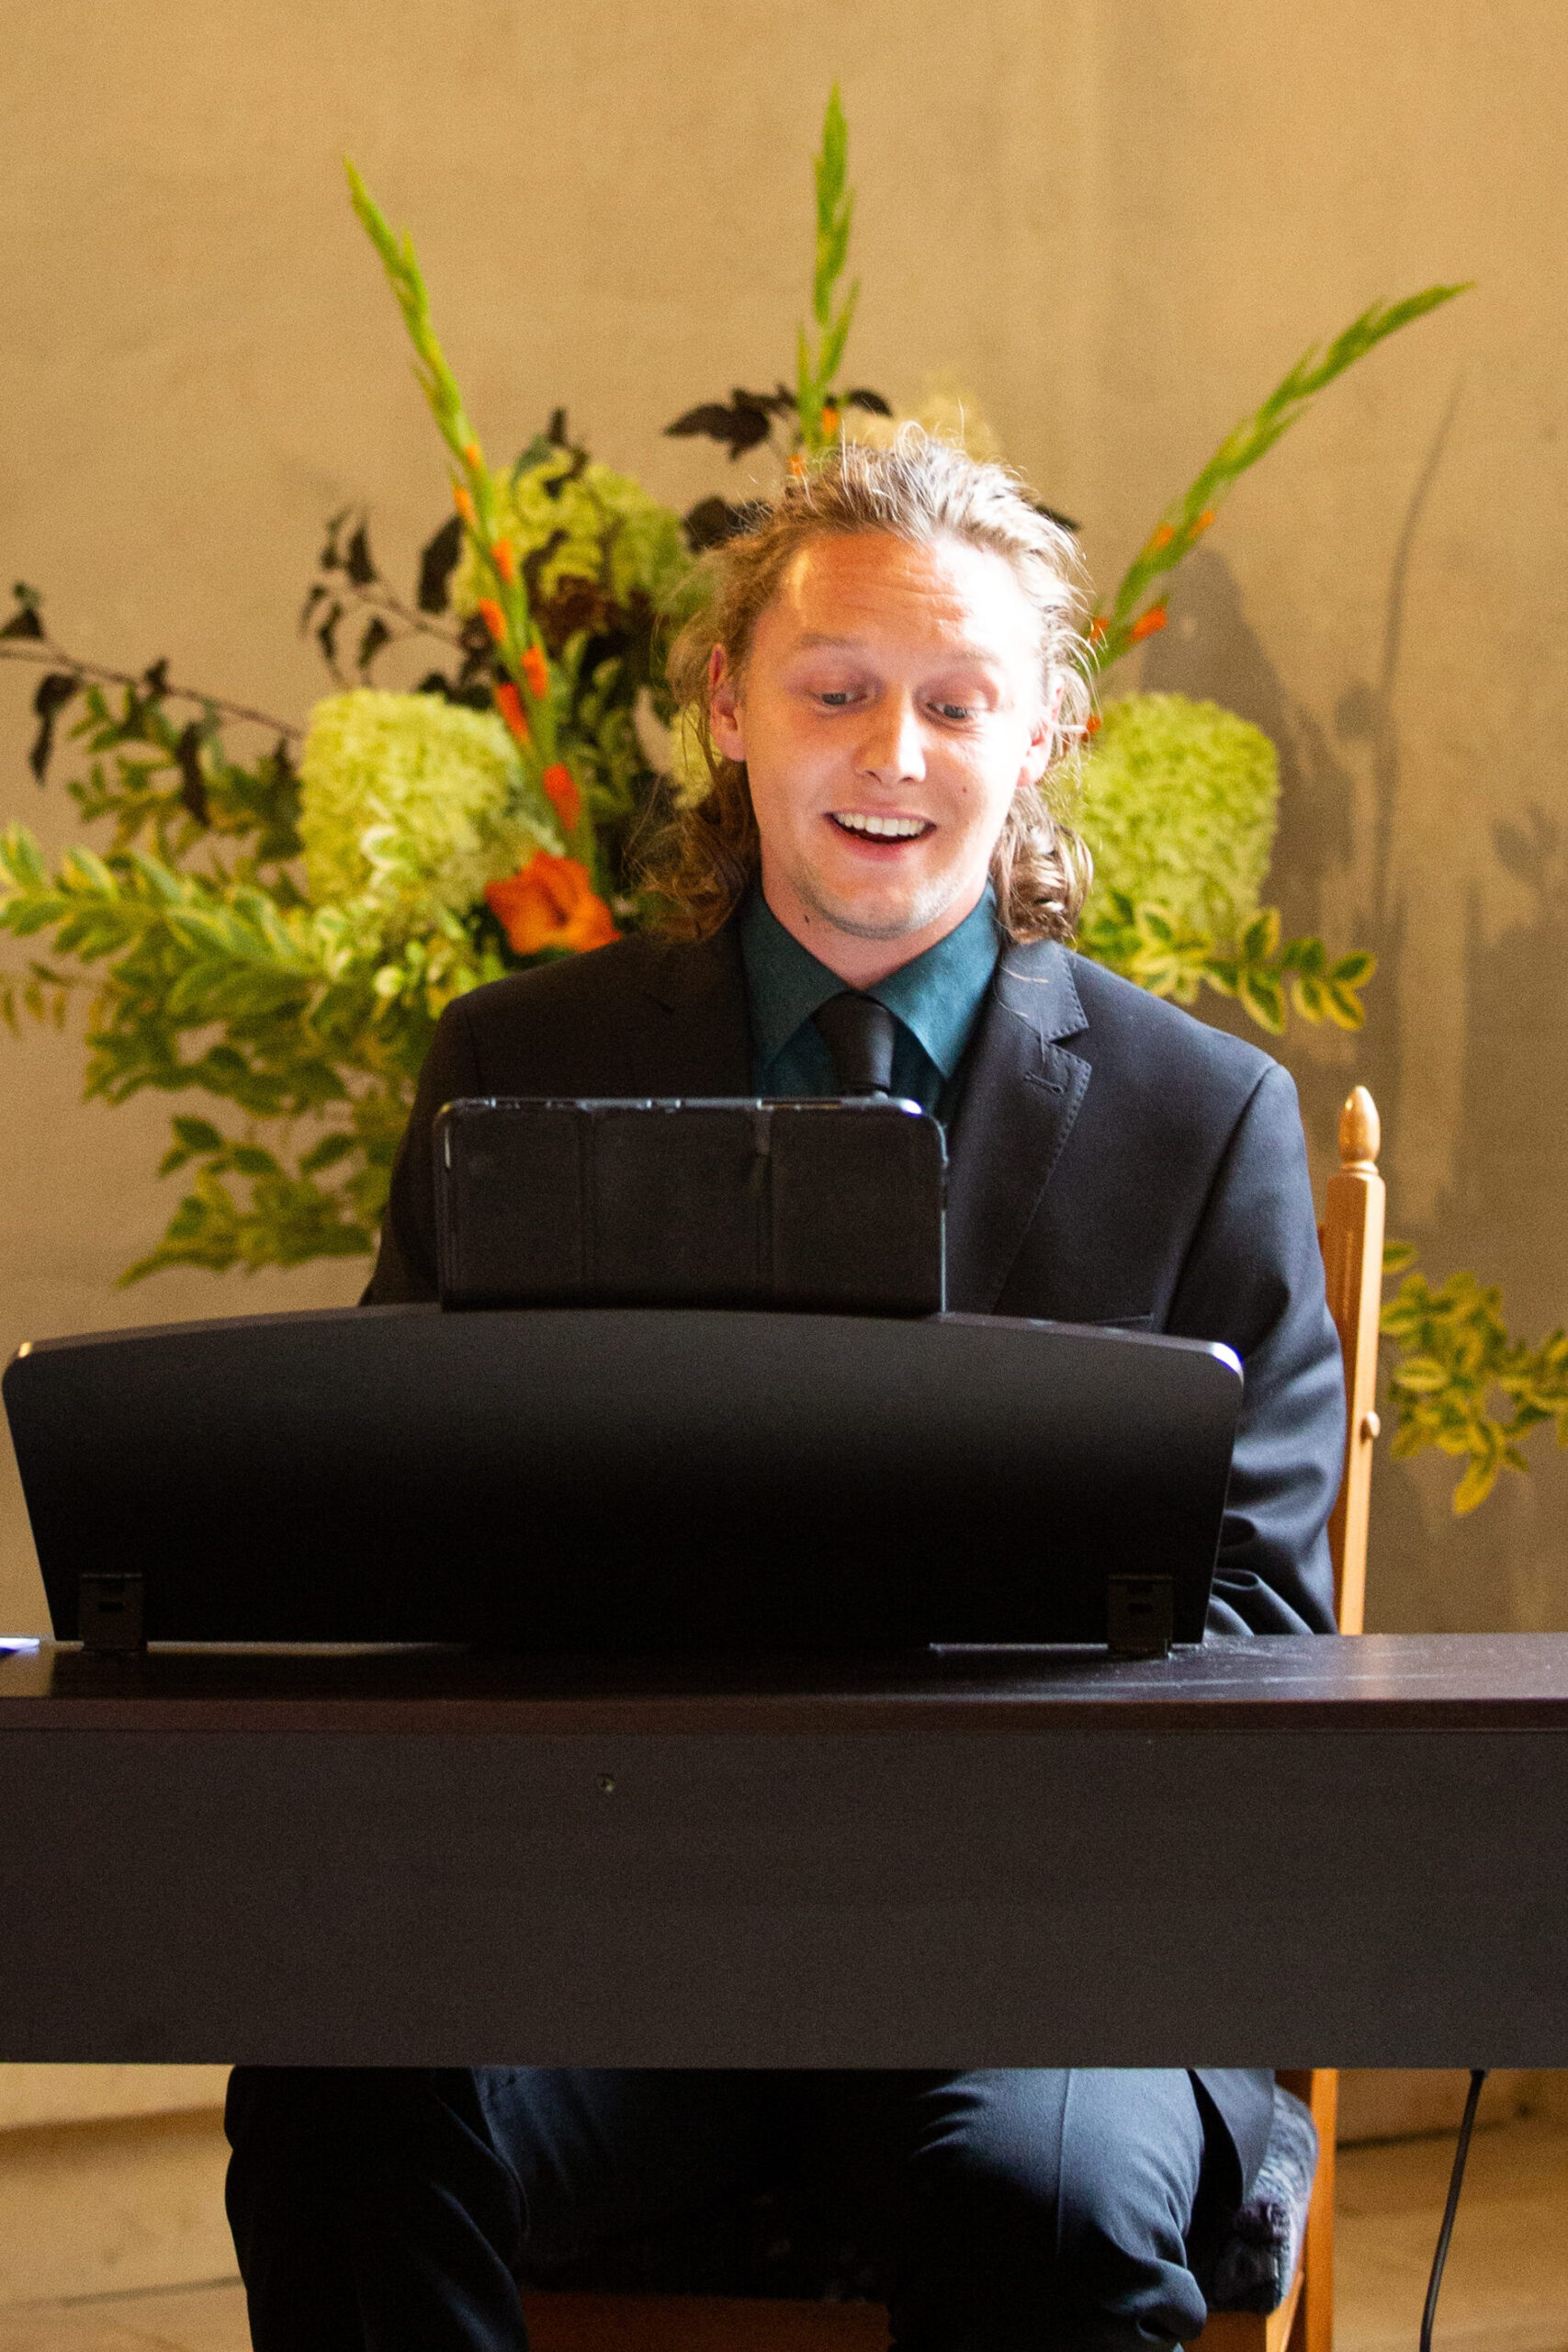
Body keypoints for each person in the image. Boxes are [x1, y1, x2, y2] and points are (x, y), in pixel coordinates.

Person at [226, 431, 1345, 2351]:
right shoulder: (514, 1062)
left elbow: (1257, 1619)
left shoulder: (1202, 1115)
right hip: (610, 1934)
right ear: (725, 710)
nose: (891, 752)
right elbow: (406, 1539)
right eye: (833, 692)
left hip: (1041, 1957)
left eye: (954, 703)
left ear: (1042, 733)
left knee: (1043, 2204)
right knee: (337, 2103)